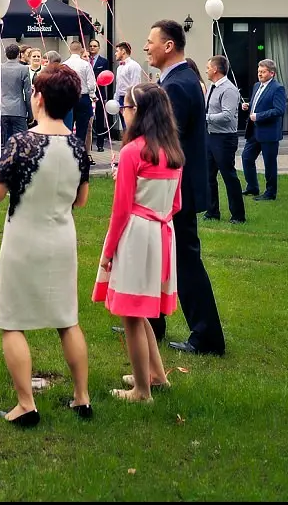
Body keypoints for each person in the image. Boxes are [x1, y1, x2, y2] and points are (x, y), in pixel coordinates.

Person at [0, 64, 92, 427]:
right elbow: (81, 200)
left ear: (39, 98)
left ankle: (26, 404)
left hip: (24, 237)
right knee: (67, 319)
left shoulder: (21, 143)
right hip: (61, 237)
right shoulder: (78, 147)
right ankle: (82, 397)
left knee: (11, 320)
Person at [94, 81, 182, 402]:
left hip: (136, 235)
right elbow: (176, 204)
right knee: (140, 308)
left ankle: (142, 391)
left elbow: (121, 210)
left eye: (127, 107)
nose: (123, 112)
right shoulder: (173, 152)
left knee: (131, 313)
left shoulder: (133, 152)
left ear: (140, 112)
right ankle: (156, 375)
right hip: (162, 232)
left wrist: (108, 251)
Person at [144, 20, 226, 356]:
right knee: (161, 256)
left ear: (168, 46)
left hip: (177, 190)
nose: (146, 47)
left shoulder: (177, 85)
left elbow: (165, 139)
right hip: (177, 187)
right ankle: (150, 323)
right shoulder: (178, 80)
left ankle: (207, 336)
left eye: (150, 41)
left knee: (186, 262)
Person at [203, 55, 246, 223]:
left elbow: (227, 116)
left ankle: (238, 215)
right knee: (209, 176)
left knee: (229, 176)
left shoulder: (229, 90)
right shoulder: (212, 87)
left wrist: (206, 118)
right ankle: (212, 212)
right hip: (210, 136)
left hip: (224, 139)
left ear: (215, 69)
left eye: (208, 67)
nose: (206, 70)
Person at [241, 59, 287, 202]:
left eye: (263, 72)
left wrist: (258, 116)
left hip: (269, 132)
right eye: (259, 71)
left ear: (272, 73)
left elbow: (279, 110)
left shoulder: (277, 88)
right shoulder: (257, 86)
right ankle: (252, 187)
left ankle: (270, 192)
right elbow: (258, 103)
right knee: (246, 157)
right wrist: (248, 105)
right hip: (254, 131)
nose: (260, 74)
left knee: (269, 163)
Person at [0, 43, 33, 152]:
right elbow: (28, 93)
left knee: (1, 144)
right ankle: (19, 162)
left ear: (6, 54)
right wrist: (30, 114)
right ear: (18, 54)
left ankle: (1, 162)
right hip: (19, 111)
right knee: (21, 143)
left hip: (1, 110)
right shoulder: (24, 69)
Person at [64, 41, 98, 165]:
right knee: (82, 129)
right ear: (81, 50)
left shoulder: (64, 65)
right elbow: (91, 83)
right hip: (83, 98)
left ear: (69, 50)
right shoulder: (86, 64)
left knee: (67, 127)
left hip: (68, 97)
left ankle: (68, 155)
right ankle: (80, 156)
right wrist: (92, 95)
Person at [112, 42, 144, 161]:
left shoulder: (134, 66)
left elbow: (134, 84)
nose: (115, 53)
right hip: (121, 98)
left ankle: (134, 154)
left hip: (129, 98)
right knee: (125, 127)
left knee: (131, 126)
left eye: (117, 51)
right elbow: (118, 86)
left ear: (123, 51)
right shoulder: (119, 67)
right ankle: (127, 153)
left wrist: (130, 102)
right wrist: (116, 101)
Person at [89, 38, 111, 152]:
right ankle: (87, 144)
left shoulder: (104, 62)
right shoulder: (85, 60)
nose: (92, 48)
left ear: (98, 48)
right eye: (91, 46)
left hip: (100, 93)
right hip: (88, 93)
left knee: (100, 118)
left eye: (95, 46)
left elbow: (107, 77)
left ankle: (100, 144)